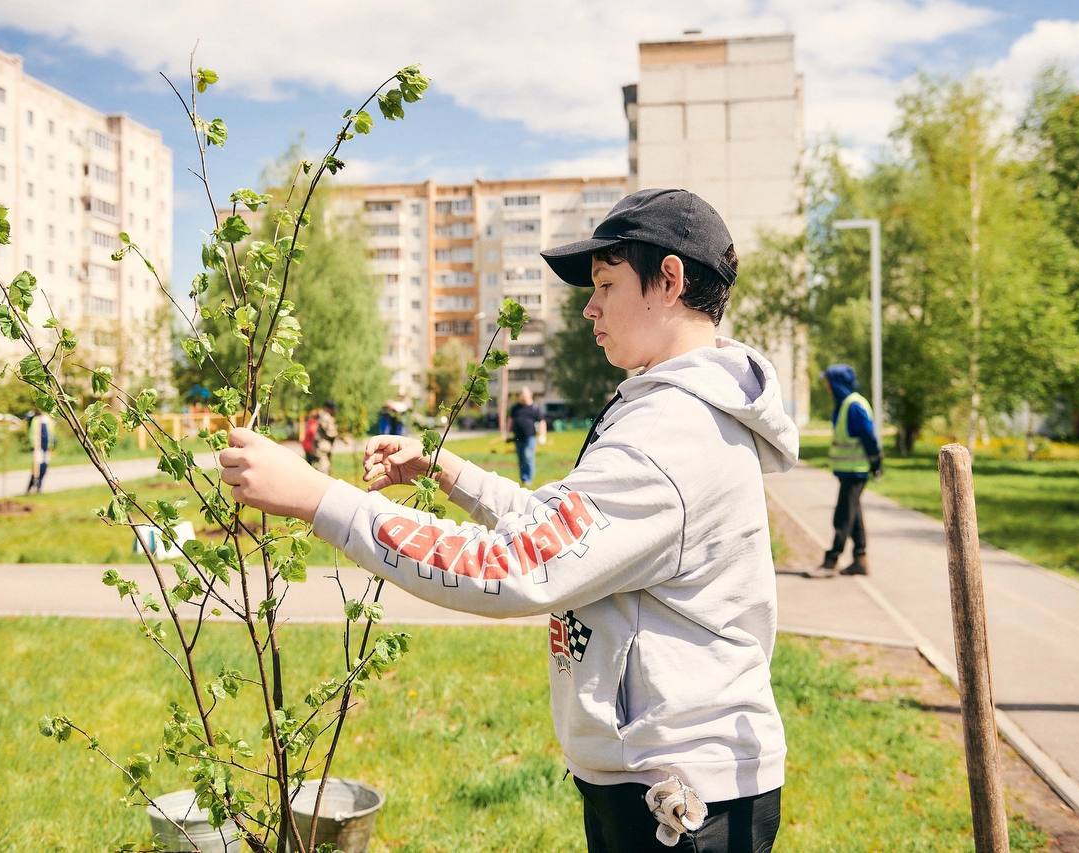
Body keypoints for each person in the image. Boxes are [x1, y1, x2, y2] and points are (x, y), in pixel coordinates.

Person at [218, 188, 796, 852]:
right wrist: (449, 473)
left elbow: (518, 565)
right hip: (663, 782)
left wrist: (321, 498)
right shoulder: (672, 411)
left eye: (606, 283)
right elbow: (574, 531)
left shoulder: (674, 433)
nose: (591, 306)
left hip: (682, 801)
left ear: (668, 280)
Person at [814, 364, 882, 577]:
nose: (826, 386)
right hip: (849, 470)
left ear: (837, 383)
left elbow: (868, 436)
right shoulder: (845, 405)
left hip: (856, 470)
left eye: (828, 381)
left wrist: (875, 461)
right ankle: (860, 560)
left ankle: (831, 561)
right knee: (853, 514)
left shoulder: (853, 406)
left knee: (843, 515)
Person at [507, 386, 546, 486]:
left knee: (528, 456)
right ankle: (523, 478)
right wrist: (507, 433)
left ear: (529, 395)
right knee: (521, 458)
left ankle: (528, 479)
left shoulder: (534, 408)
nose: (522, 396)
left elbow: (542, 422)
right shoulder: (515, 408)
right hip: (517, 437)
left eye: (524, 394)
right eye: (521, 394)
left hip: (530, 437)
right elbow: (510, 421)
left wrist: (542, 435)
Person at [303, 401, 339, 475]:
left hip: (317, 448)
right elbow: (331, 433)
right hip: (322, 448)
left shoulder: (319, 415)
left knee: (318, 469)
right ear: (328, 409)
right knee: (323, 471)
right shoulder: (326, 417)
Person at [25, 410, 55, 494]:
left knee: (44, 467)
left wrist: (51, 446)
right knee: (36, 468)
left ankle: (39, 486)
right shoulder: (35, 419)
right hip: (38, 447)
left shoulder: (48, 419)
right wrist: (34, 446)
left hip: (47, 448)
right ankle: (30, 487)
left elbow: (51, 434)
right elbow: (32, 433)